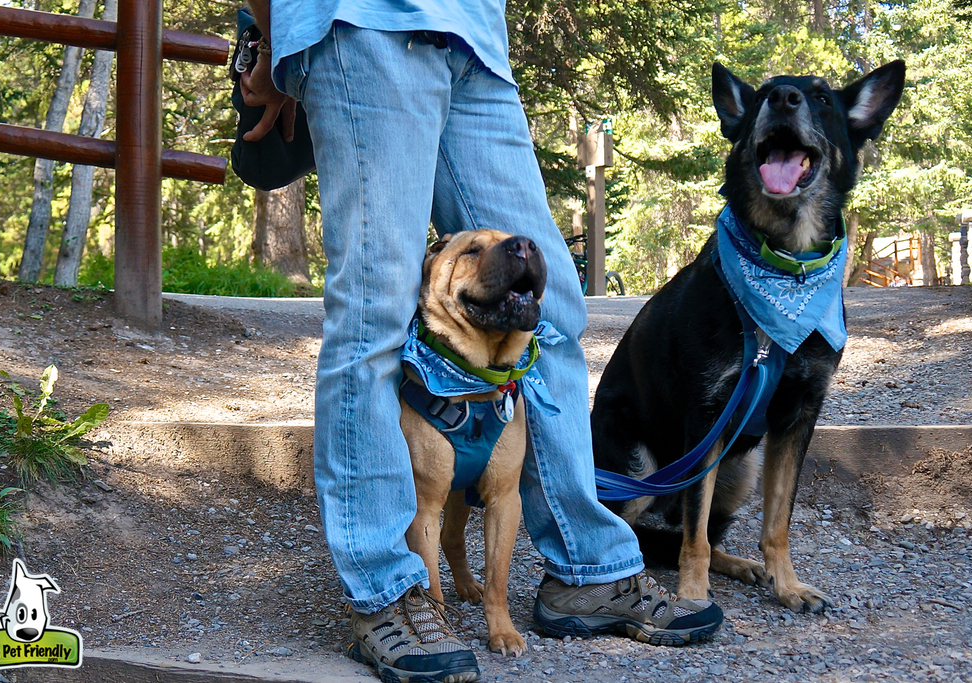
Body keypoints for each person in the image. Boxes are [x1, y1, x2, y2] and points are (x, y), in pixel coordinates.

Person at [238, 3, 724, 681]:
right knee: (376, 312)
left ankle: (586, 568)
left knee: (545, 309)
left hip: (474, 40)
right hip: (361, 24)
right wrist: (271, 32)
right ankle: (388, 589)